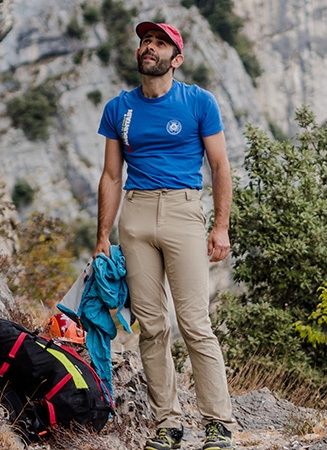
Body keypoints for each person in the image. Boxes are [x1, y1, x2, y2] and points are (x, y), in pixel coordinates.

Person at [94, 21, 237, 450]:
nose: (148, 47)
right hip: (135, 217)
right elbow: (110, 175)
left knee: (195, 323)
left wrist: (221, 226)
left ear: (176, 59)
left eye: (159, 43)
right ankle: (168, 424)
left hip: (183, 210)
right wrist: (103, 235)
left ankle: (218, 424)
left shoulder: (198, 101)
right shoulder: (119, 108)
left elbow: (219, 166)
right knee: (152, 326)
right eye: (145, 41)